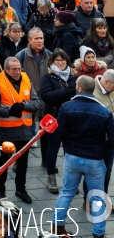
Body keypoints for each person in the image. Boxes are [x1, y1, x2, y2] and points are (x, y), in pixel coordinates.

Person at [51, 75, 114, 238]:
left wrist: (69, 144)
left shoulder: (66, 107)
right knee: (98, 197)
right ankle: (98, 233)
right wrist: (101, 148)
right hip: (95, 159)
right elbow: (112, 139)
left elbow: (60, 132)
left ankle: (57, 227)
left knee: (67, 192)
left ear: (79, 88)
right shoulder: (104, 112)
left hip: (72, 157)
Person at [0, 56, 40, 203]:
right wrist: (10, 110)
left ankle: (21, 189)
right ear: (6, 70)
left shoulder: (25, 79)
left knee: (23, 162)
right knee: (4, 162)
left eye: (19, 69)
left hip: (25, 130)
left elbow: (36, 103)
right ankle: (0, 190)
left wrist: (23, 105)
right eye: (14, 69)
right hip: (8, 130)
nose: (17, 72)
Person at [40, 49, 77, 194]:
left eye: (63, 60)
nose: (60, 63)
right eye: (57, 60)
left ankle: (70, 181)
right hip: (54, 119)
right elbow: (46, 96)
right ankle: (51, 178)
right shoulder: (48, 77)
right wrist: (66, 92)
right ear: (52, 62)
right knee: (53, 149)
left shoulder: (74, 76)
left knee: (70, 150)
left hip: (72, 119)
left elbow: (79, 92)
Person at [16, 28, 51, 166]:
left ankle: (46, 160)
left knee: (46, 133)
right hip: (27, 99)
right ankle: (18, 161)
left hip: (45, 98)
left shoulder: (50, 55)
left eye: (41, 38)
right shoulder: (20, 56)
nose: (40, 41)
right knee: (23, 134)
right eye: (36, 38)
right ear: (29, 40)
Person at [93, 69, 114, 212]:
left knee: (107, 171)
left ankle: (103, 199)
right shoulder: (93, 92)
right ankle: (90, 202)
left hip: (111, 140)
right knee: (94, 173)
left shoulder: (111, 90)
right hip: (97, 140)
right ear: (106, 82)